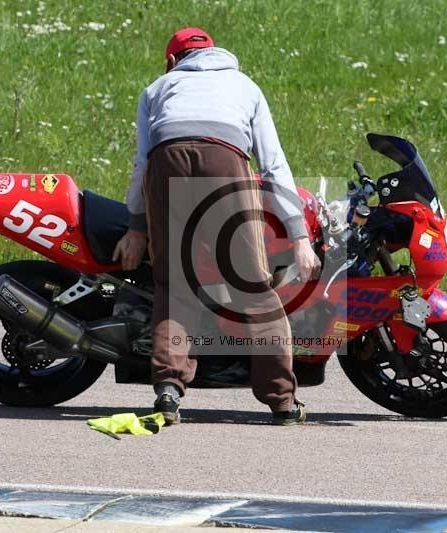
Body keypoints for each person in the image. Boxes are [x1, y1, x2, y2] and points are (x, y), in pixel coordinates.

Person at [113, 27, 319, 426]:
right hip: (225, 162)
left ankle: (169, 392)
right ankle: (282, 402)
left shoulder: (158, 87)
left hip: (166, 162)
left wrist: (136, 227)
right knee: (253, 288)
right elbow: (273, 165)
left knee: (175, 287)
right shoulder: (245, 86)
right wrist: (299, 236)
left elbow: (141, 164)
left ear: (173, 61)